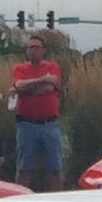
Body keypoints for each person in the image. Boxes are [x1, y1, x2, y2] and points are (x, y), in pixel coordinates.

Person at [7, 27, 66, 188]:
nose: (33, 50)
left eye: (36, 47)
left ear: (43, 50)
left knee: (55, 168)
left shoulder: (53, 67)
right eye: (30, 47)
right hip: (26, 124)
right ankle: (21, 197)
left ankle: (58, 199)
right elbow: (19, 85)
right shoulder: (19, 69)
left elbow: (51, 86)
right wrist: (42, 80)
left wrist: (27, 89)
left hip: (49, 124)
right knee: (23, 168)